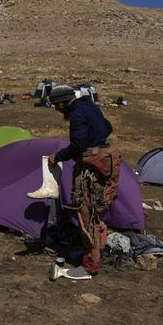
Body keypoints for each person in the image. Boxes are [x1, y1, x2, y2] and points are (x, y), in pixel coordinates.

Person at [46, 85, 122, 275]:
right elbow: (108, 127)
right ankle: (94, 251)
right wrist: (97, 140)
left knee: (86, 214)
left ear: (64, 102)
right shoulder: (90, 106)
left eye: (57, 105)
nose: (56, 109)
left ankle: (90, 265)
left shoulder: (77, 114)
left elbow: (78, 145)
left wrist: (59, 156)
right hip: (105, 160)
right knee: (95, 212)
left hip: (90, 168)